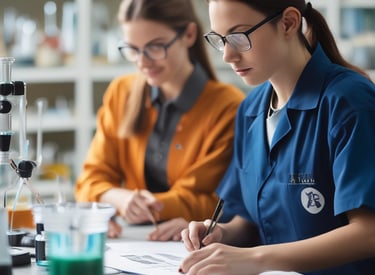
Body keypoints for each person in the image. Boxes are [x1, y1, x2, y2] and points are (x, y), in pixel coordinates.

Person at [180, 0, 375, 274]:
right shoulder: (250, 109)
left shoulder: (349, 102)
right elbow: (249, 220)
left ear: (288, 23)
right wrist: (221, 234)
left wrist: (255, 259)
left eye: (239, 37)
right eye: (221, 39)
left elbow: (369, 234)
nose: (227, 55)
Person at [74, 0, 244, 241]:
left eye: (155, 47)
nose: (142, 62)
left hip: (193, 243)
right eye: (132, 49)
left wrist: (136, 204)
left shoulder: (228, 106)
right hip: (132, 242)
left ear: (189, 34)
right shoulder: (120, 92)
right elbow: (88, 181)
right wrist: (121, 200)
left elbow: (218, 200)